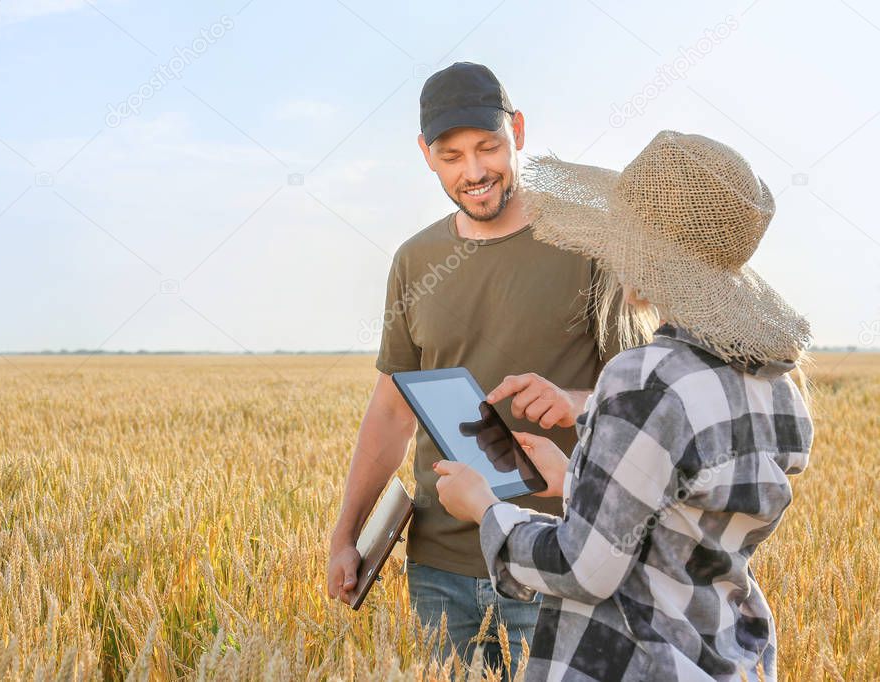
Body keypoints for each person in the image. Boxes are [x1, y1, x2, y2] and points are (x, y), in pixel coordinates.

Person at [433, 130, 815, 681]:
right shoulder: (780, 392)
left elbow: (582, 568)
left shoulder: (645, 378)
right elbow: (681, 525)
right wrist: (576, 480)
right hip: (729, 660)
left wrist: (487, 510)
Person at [325, 62, 623, 673]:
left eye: (488, 148)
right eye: (452, 155)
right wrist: (345, 532)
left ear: (517, 130)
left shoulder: (589, 244)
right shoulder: (415, 260)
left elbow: (640, 395)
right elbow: (391, 409)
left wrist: (573, 398)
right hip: (437, 566)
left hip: (554, 556)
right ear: (425, 156)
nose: (474, 172)